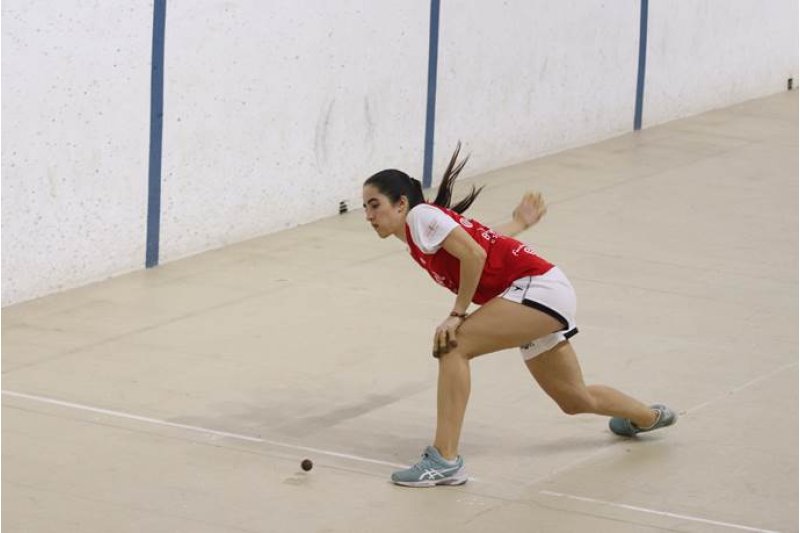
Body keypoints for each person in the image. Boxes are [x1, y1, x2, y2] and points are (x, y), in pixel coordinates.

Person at [362, 143, 676, 488]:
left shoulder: (420, 218)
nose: (369, 215)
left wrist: (457, 313)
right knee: (574, 399)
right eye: (365, 207)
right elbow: (487, 243)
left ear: (402, 203)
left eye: (375, 204)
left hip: (536, 290)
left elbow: (475, 255)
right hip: (540, 295)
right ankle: (646, 417)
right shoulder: (422, 231)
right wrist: (518, 222)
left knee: (454, 344)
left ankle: (444, 459)